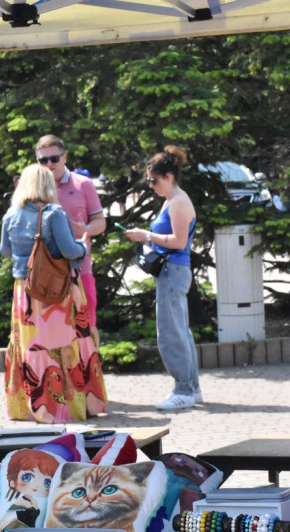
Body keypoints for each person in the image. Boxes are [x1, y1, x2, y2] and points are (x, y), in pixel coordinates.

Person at [0, 163, 107, 423]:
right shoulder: (53, 213)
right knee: (65, 343)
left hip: (25, 292)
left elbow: (5, 251)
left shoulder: (11, 214)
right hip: (57, 291)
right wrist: (82, 247)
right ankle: (68, 408)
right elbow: (69, 251)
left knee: (31, 346)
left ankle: (30, 408)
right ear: (47, 185)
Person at [124, 146, 203, 410]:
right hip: (172, 271)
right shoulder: (172, 200)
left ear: (168, 176)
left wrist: (146, 235)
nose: (150, 186)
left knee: (171, 332)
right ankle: (192, 387)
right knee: (180, 330)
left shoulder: (179, 201)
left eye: (153, 180)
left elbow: (179, 242)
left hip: (174, 270)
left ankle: (184, 389)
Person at [35, 135, 107, 328]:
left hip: (80, 266)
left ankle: (88, 358)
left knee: (86, 325)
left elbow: (100, 222)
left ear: (64, 158)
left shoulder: (83, 183)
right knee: (50, 332)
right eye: (43, 160)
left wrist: (86, 230)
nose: (49, 164)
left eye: (54, 159)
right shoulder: (33, 189)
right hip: (45, 270)